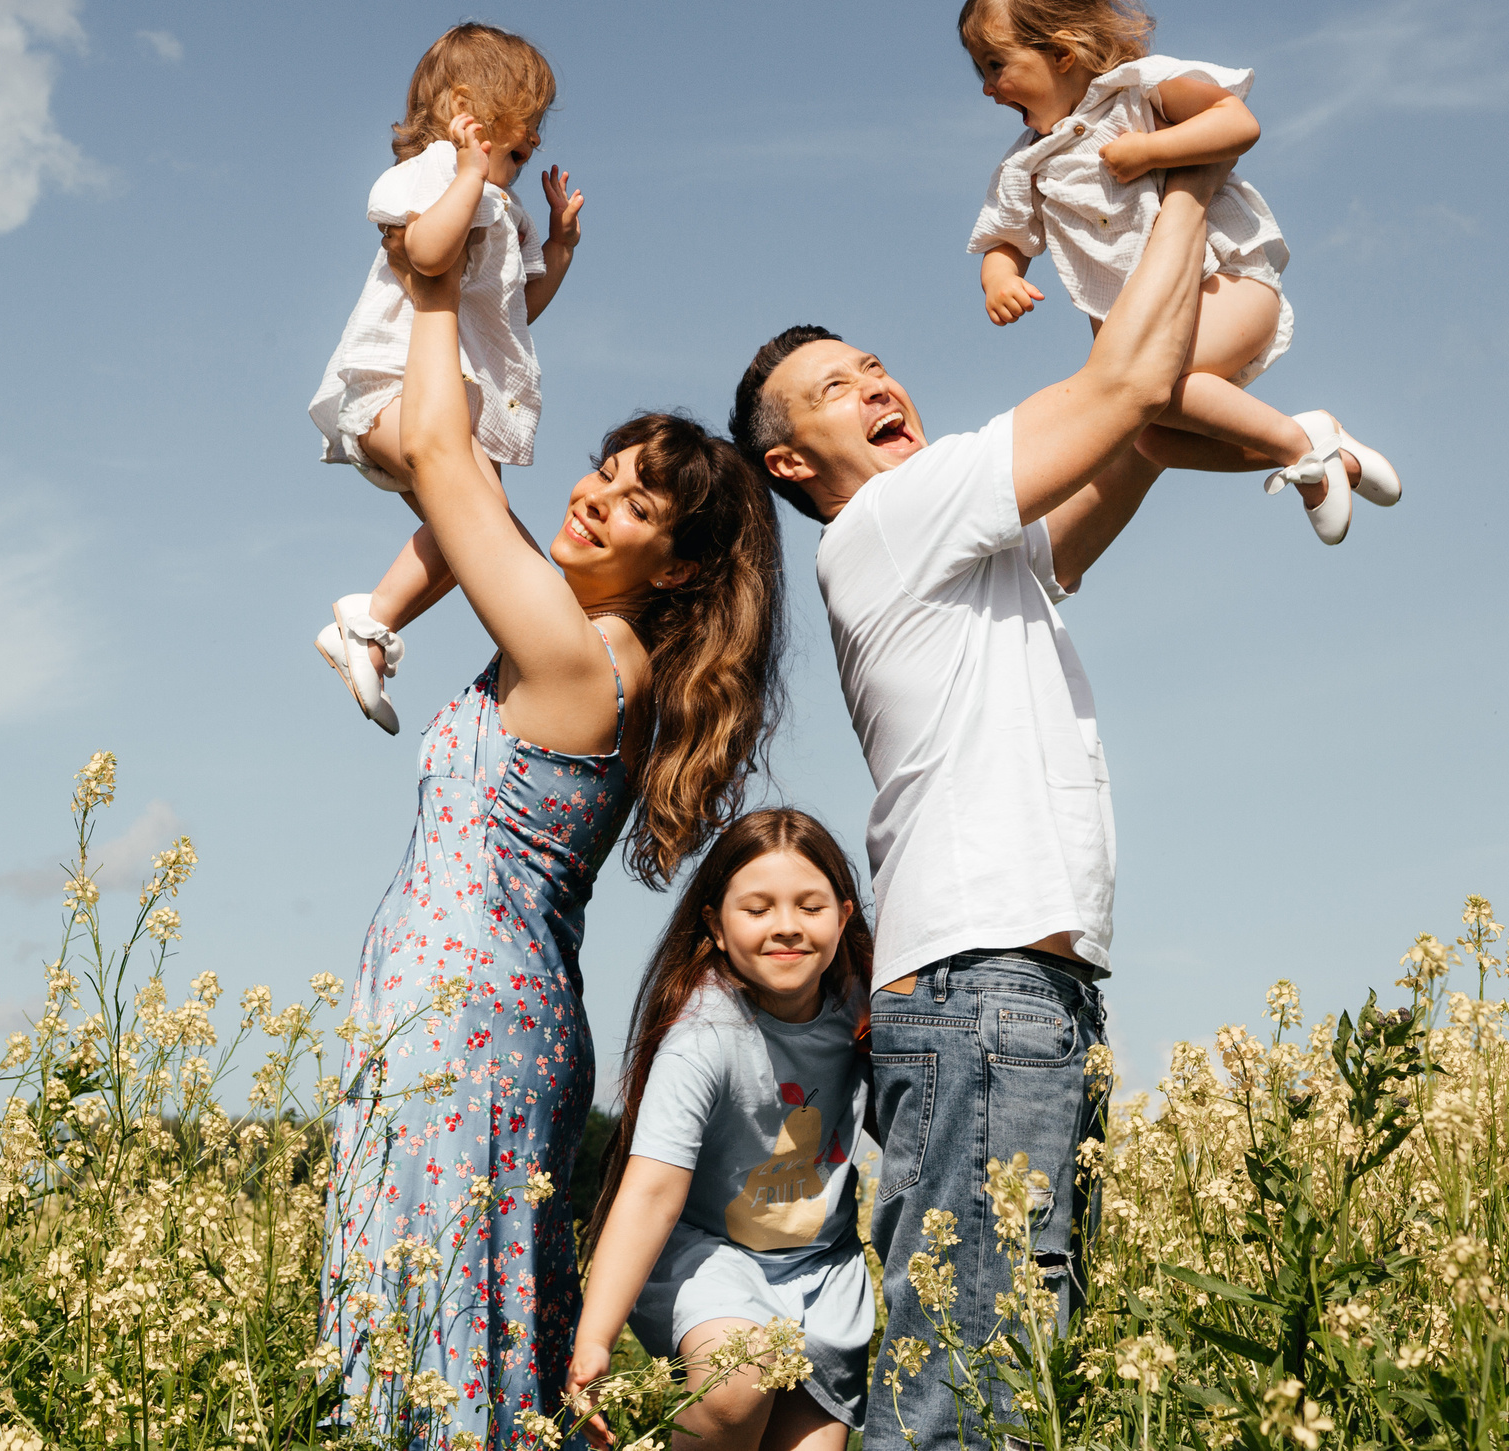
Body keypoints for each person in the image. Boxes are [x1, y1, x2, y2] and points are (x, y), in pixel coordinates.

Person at [727, 157, 1243, 1449]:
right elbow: (1127, 389)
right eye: (835, 387)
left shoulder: (968, 546)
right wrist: (1181, 184)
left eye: (874, 363)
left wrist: (1127, 270)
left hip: (1013, 987)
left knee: (1001, 1365)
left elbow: (1145, 427)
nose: (875, 384)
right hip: (982, 983)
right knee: (973, 1377)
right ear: (795, 458)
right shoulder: (890, 520)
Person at [321, 223, 786, 1449]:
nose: (595, 498)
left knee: (434, 1345)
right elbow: (473, 479)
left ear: (678, 571)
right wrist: (507, 299)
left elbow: (435, 449)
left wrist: (436, 276)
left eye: (640, 506)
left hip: (468, 1029)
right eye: (607, 470)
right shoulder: (580, 634)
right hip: (476, 1018)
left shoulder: (577, 655)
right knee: (448, 1336)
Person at [961, 0, 1399, 544]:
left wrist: (1151, 149)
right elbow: (1005, 237)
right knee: (1145, 434)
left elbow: (1237, 123)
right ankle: (1314, 444)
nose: (986, 88)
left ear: (1060, 53)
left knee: (1150, 389)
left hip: (1226, 287)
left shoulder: (1139, 95)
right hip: (1148, 344)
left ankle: (1304, 447)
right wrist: (1000, 279)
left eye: (994, 65)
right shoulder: (1028, 165)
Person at [306, 22, 588, 732]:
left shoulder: (506, 207)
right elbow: (428, 256)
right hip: (395, 391)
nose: (527, 158)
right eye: (518, 142)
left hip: (447, 404)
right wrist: (466, 175)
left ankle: (373, 623)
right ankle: (370, 617)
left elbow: (514, 314)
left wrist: (557, 249)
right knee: (482, 518)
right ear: (468, 116)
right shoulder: (434, 173)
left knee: (476, 539)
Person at [569, 809, 876, 1451]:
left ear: (844, 917)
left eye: (810, 907)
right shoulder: (702, 1038)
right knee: (739, 1380)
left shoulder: (865, 1007)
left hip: (821, 1272)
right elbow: (651, 1191)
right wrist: (595, 1339)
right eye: (757, 909)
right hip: (711, 1256)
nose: (786, 926)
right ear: (714, 924)